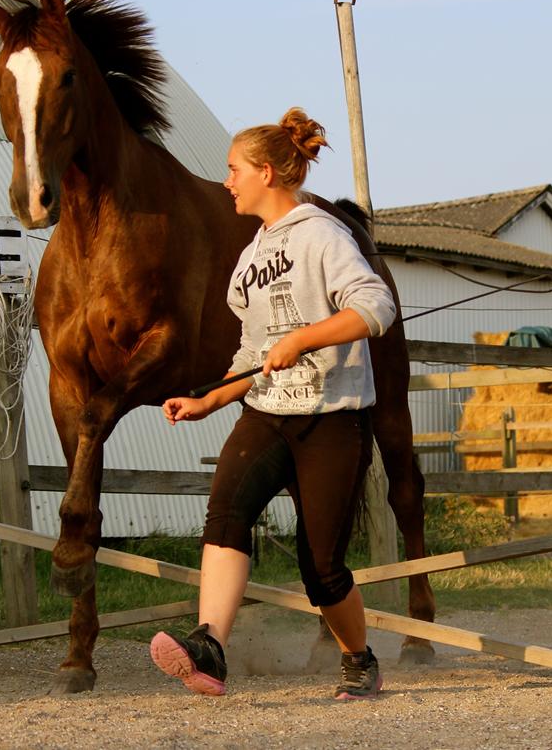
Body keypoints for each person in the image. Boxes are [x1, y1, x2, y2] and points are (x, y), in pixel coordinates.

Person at [150, 108, 393, 701]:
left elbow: (376, 307)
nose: (227, 181)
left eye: (233, 170)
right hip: (265, 414)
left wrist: (303, 338)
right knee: (225, 513)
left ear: (265, 172)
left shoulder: (323, 234)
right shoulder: (250, 259)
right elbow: (250, 356)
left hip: (332, 420)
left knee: (322, 567)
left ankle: (359, 659)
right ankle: (209, 645)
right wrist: (210, 400)